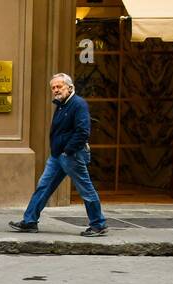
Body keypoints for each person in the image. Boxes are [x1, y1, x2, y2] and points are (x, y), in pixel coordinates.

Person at [9, 72, 108, 237]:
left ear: (69, 88)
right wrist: (59, 151)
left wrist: (67, 150)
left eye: (59, 86)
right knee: (43, 187)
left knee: (85, 189)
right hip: (57, 156)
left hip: (72, 155)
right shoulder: (61, 104)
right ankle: (29, 221)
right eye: (53, 87)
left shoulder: (78, 104)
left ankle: (98, 224)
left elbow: (83, 132)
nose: (56, 90)